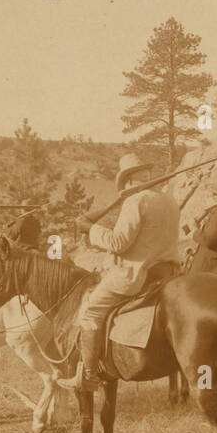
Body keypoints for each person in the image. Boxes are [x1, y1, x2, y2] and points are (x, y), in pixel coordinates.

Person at [59, 153, 181, 391]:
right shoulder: (169, 200)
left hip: (135, 276)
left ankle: (89, 375)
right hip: (168, 274)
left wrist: (91, 229)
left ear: (127, 180)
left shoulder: (135, 202)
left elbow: (118, 244)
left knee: (91, 311)